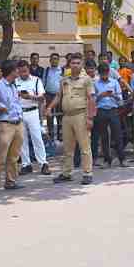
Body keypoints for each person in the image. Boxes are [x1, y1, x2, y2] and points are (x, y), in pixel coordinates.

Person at [48, 53, 95, 185]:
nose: (75, 65)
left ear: (81, 65)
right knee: (67, 147)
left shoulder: (86, 80)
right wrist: (49, 107)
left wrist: (90, 118)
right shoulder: (64, 80)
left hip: (81, 115)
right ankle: (66, 173)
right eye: (73, 63)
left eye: (77, 63)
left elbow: (91, 99)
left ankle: (87, 173)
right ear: (69, 64)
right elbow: (58, 96)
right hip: (67, 117)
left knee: (84, 146)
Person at [0, 60, 25, 191]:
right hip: (5, 124)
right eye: (16, 69)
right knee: (1, 156)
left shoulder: (14, 85)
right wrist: (0, 107)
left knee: (14, 155)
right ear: (11, 71)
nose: (18, 71)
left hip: (18, 122)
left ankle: (11, 181)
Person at [14, 60, 49, 175]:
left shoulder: (36, 80)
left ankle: (43, 163)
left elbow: (42, 98)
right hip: (19, 113)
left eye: (25, 71)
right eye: (20, 71)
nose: (23, 73)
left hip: (32, 111)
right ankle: (26, 164)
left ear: (28, 69)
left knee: (37, 137)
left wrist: (30, 97)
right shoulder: (14, 82)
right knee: (21, 140)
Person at [92, 63, 127, 167]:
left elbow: (120, 99)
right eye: (102, 73)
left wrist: (113, 96)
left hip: (113, 110)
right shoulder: (96, 84)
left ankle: (122, 159)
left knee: (118, 135)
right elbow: (93, 100)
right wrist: (100, 96)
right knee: (104, 137)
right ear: (99, 73)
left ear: (108, 72)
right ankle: (107, 160)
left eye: (106, 73)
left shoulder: (114, 82)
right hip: (101, 111)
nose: (104, 75)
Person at [43, 53, 63, 148]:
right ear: (50, 60)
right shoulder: (46, 71)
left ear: (58, 60)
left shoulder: (62, 70)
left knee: (60, 115)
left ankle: (60, 135)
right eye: (52, 59)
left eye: (56, 59)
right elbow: (43, 82)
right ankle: (51, 136)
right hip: (49, 95)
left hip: (59, 95)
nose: (54, 61)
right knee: (49, 116)